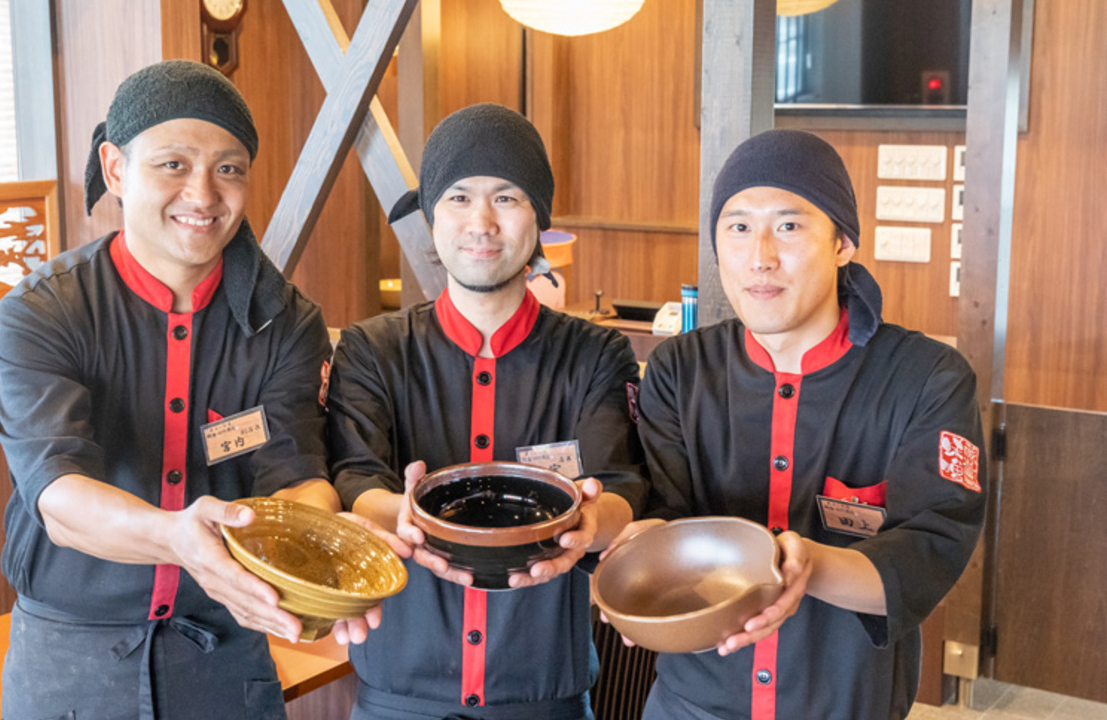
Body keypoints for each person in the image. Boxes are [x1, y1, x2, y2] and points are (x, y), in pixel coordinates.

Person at [0, 60, 389, 720]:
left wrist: (317, 557)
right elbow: (57, 495)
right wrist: (176, 536)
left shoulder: (285, 321)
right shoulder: (46, 310)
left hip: (224, 656)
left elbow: (294, 472)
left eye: (229, 168)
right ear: (116, 169)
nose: (203, 194)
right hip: (71, 662)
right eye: (173, 164)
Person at [619, 129, 987, 720]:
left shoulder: (927, 378)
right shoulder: (679, 370)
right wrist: (634, 557)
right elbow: (660, 512)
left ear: (843, 242)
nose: (761, 255)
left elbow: (932, 546)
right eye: (738, 227)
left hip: (843, 704)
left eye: (788, 226)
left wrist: (809, 567)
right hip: (693, 702)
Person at [327, 103, 647, 720]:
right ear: (430, 215)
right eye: (458, 197)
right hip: (398, 697)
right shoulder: (373, 350)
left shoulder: (595, 353)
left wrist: (589, 521)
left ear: (539, 219)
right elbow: (356, 482)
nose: (481, 222)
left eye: (507, 198)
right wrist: (412, 516)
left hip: (544, 698)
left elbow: (622, 489)